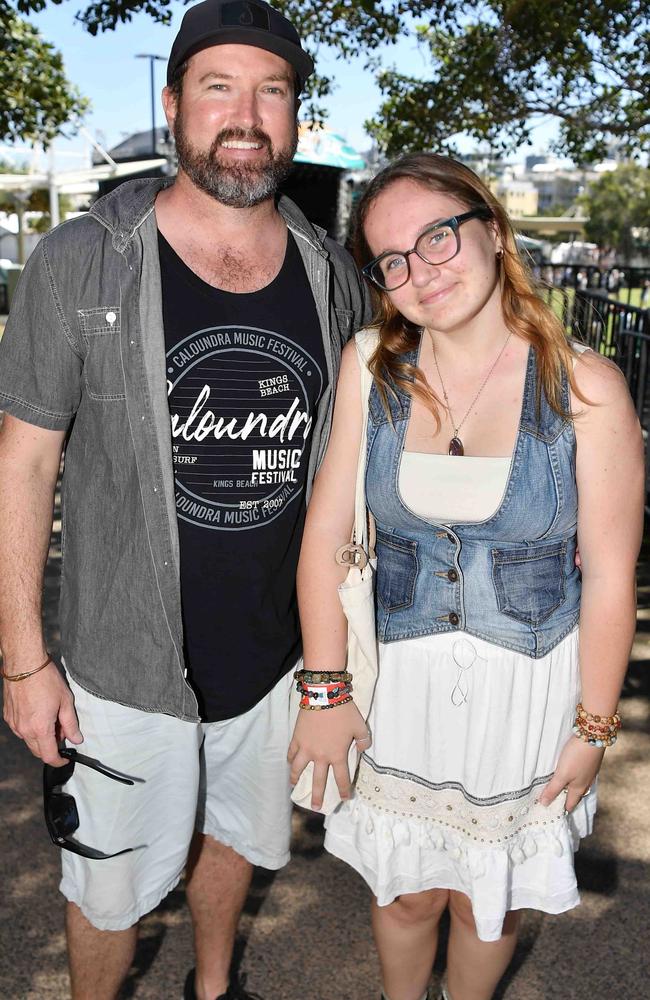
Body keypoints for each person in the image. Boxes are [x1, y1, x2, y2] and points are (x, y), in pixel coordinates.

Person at [0, 3, 368, 999]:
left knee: (235, 837)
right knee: (106, 893)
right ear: (172, 108)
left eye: (272, 91)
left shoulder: (331, 277)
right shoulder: (80, 260)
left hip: (270, 657)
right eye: (218, 88)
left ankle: (214, 986)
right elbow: (24, 465)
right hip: (123, 666)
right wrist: (24, 660)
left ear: (293, 116)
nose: (246, 114)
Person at [288, 153, 643, 1000]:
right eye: (393, 260)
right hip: (398, 687)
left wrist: (593, 731)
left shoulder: (586, 389)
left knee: (490, 905)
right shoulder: (371, 365)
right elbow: (326, 533)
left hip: (525, 692)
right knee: (406, 894)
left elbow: (611, 581)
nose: (421, 271)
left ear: (492, 230)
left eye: (437, 237)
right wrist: (325, 692)